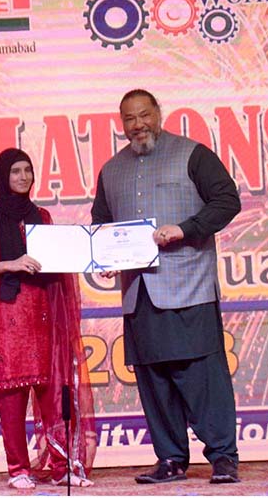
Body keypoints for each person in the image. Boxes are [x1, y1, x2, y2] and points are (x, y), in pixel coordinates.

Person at [91, 89, 242, 484]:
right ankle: (171, 458)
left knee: (203, 375)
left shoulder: (193, 154)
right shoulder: (111, 169)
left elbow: (227, 200)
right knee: (153, 379)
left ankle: (223, 457)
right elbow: (102, 224)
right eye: (129, 119)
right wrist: (104, 258)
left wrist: (186, 229)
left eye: (144, 115)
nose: (138, 125)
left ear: (158, 113)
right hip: (139, 292)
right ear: (120, 122)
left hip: (188, 284)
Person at [0, 148, 96, 489]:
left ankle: (61, 467)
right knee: (12, 396)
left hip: (42, 309)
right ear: (2, 177)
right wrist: (10, 264)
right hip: (6, 315)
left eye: (27, 171)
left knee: (52, 392)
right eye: (15, 172)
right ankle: (18, 470)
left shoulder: (43, 215)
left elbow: (56, 258)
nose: (23, 177)